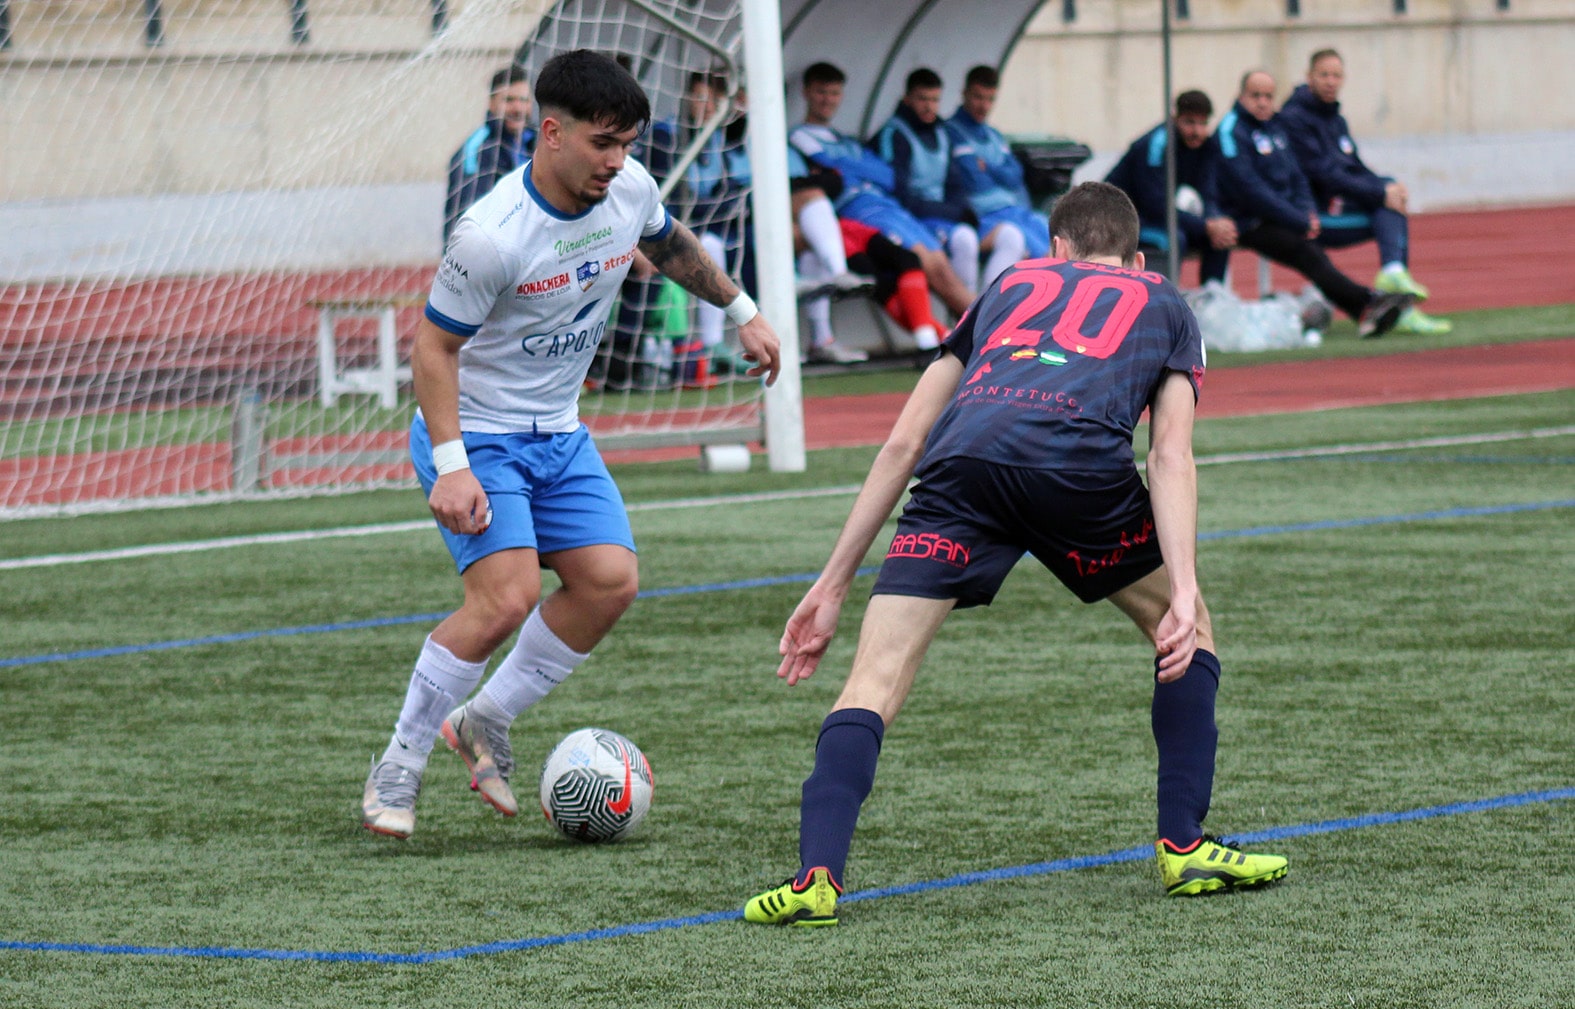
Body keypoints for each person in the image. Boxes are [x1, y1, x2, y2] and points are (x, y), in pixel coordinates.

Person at [743, 181, 1287, 927]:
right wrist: (1184, 591)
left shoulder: (1007, 283)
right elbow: (1168, 456)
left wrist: (831, 583)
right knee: (1188, 630)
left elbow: (905, 440)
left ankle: (815, 877)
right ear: (1134, 258)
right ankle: (1184, 845)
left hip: (962, 469)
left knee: (875, 673)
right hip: (1077, 474)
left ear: (1055, 249)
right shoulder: (1164, 301)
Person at [362, 49, 782, 840]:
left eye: (625, 145)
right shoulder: (489, 236)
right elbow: (431, 352)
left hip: (557, 433)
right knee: (504, 598)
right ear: (550, 134)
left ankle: (480, 721)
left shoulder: (627, 187)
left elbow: (667, 243)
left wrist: (742, 310)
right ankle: (400, 760)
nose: (616, 162)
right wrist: (451, 467)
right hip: (477, 433)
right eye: (601, 143)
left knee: (609, 581)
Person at [790, 61, 976, 344]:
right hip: (859, 213)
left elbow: (889, 177)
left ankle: (987, 334)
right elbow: (839, 171)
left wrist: (846, 167)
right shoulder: (799, 136)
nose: (828, 100)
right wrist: (853, 168)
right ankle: (975, 337)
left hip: (890, 208)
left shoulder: (845, 140)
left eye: (834, 93)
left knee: (943, 271)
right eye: (821, 92)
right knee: (924, 267)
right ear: (806, 93)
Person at [1216, 70, 1412, 338]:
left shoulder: (1274, 126)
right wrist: (1298, 219)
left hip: (1283, 216)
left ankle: (1368, 307)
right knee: (1305, 250)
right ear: (1241, 96)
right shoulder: (1231, 130)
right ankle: (1368, 302)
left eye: (1268, 96)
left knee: (1310, 249)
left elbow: (1297, 176)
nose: (1262, 102)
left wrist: (1306, 211)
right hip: (1246, 221)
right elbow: (1252, 191)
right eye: (1256, 96)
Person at [1278, 49, 1451, 334]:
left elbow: (1354, 167)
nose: (1330, 81)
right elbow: (1325, 174)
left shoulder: (1335, 119)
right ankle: (1397, 288)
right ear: (1309, 77)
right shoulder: (1294, 119)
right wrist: (1381, 193)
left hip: (1335, 207)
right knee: (1387, 205)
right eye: (1324, 75)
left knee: (1389, 198)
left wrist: (1385, 187)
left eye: (1336, 75)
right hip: (1312, 215)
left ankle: (1396, 281)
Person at [1105, 89, 1235, 286]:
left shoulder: (1207, 146)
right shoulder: (1155, 145)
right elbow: (1154, 204)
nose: (1197, 131)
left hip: (1163, 217)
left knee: (1220, 237)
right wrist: (1205, 226)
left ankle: (1211, 296)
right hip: (1127, 220)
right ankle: (1164, 298)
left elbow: (1208, 193)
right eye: (1190, 122)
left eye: (1203, 123)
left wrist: (1215, 222)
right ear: (1176, 118)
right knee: (1176, 239)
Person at [870, 68, 982, 291]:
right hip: (908, 219)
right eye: (922, 99)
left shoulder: (941, 132)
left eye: (935, 100)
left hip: (938, 216)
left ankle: (970, 314)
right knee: (964, 239)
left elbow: (955, 184)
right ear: (907, 99)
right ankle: (967, 316)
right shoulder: (895, 135)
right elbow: (900, 197)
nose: (929, 106)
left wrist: (961, 209)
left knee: (972, 237)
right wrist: (955, 213)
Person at [943, 65, 1051, 283]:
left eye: (990, 99)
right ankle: (990, 312)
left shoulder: (994, 136)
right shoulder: (951, 132)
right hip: (982, 216)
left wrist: (989, 168)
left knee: (1053, 233)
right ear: (964, 94)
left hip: (1013, 211)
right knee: (1037, 252)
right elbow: (974, 181)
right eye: (978, 97)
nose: (984, 106)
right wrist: (1000, 174)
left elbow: (1016, 176)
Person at [444, 65, 536, 242]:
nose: (518, 108)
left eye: (523, 100)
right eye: (509, 100)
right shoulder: (476, 149)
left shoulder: (540, 142)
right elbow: (464, 216)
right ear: (491, 103)